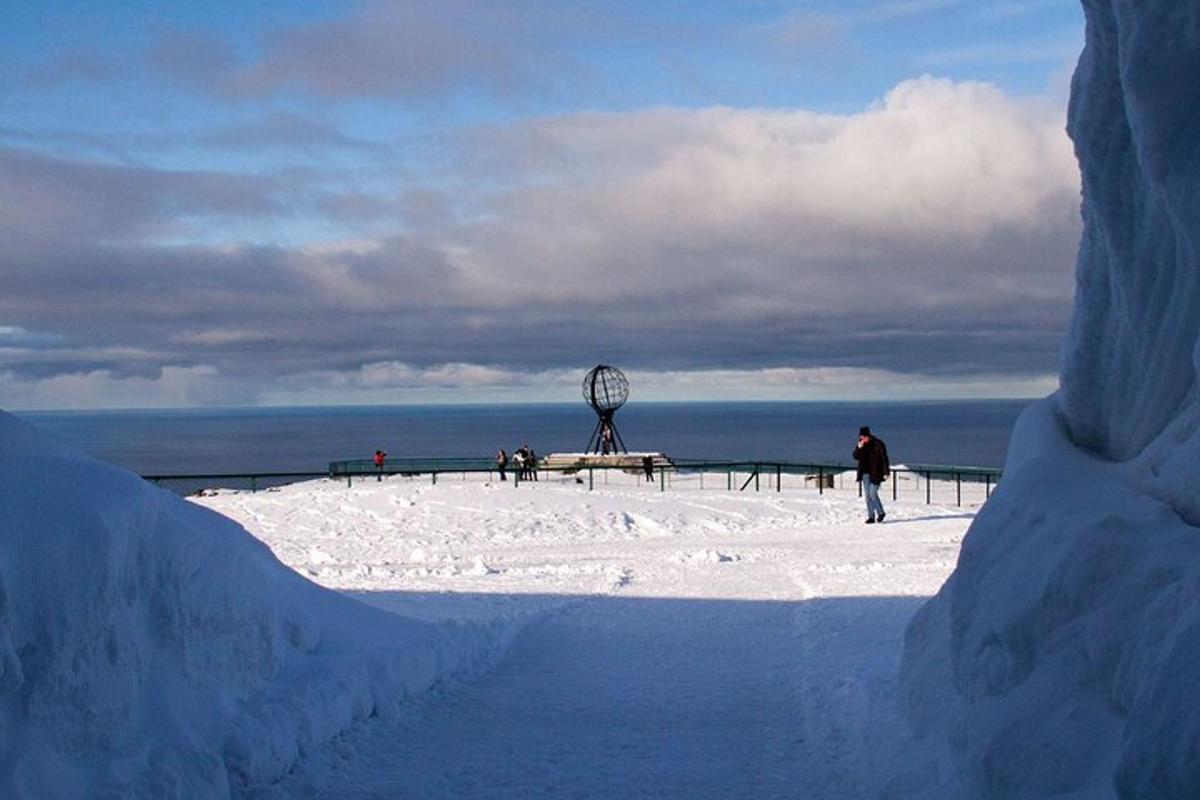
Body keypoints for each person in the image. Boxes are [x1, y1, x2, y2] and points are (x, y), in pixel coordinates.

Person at [852, 426, 890, 523]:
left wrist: (886, 472)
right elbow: (855, 456)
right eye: (861, 437)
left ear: (868, 435)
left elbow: (884, 458)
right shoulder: (861, 445)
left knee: (872, 493)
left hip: (876, 473)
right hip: (865, 473)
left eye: (864, 437)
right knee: (867, 496)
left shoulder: (878, 444)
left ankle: (881, 512)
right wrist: (858, 448)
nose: (863, 439)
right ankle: (871, 516)